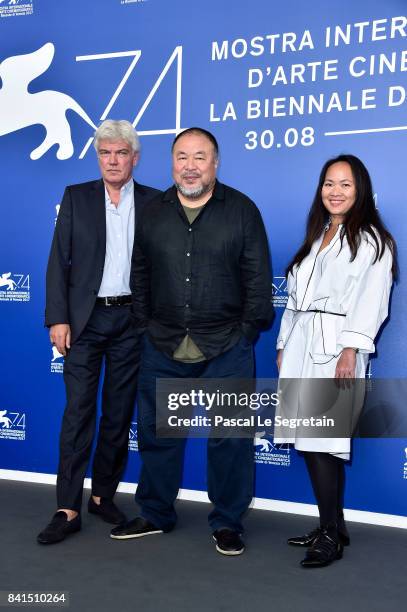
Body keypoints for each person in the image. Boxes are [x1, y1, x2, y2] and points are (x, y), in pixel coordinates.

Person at [110, 127, 273, 555]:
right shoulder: (153, 212)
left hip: (227, 347)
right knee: (159, 437)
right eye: (182, 156)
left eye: (200, 157)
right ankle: (155, 512)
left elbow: (258, 280)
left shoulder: (242, 211)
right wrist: (144, 325)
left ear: (215, 163)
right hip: (162, 344)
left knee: (230, 439)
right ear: (171, 162)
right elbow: (139, 275)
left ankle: (227, 522)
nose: (190, 165)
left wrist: (246, 332)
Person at [37, 120, 160, 545]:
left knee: (118, 415)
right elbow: (59, 261)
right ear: (98, 157)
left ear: (135, 158)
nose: (112, 160)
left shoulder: (155, 202)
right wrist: (58, 317)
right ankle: (67, 507)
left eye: (120, 153)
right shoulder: (76, 197)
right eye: (105, 153)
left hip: (132, 322)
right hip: (84, 322)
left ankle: (103, 496)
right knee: (78, 415)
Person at [275, 154, 396, 567]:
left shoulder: (373, 241)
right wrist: (281, 344)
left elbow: (372, 301)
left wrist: (350, 349)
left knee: (323, 442)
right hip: (299, 347)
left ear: (360, 190)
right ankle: (334, 524)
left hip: (335, 351)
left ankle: (330, 536)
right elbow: (294, 302)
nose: (336, 191)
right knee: (310, 443)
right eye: (329, 183)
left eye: (345, 184)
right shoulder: (317, 237)